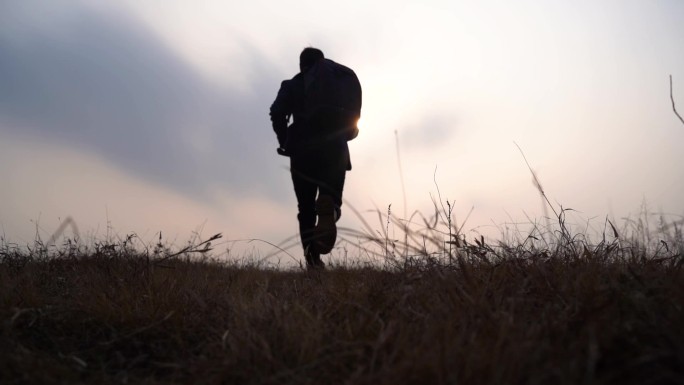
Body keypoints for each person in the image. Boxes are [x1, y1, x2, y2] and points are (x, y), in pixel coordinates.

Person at [269, 47, 360, 269]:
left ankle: (312, 261)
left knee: (306, 208)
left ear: (301, 65)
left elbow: (277, 112)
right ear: (323, 62)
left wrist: (284, 141)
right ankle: (331, 208)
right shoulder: (338, 80)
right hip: (335, 147)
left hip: (302, 150)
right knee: (330, 197)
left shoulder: (291, 85)